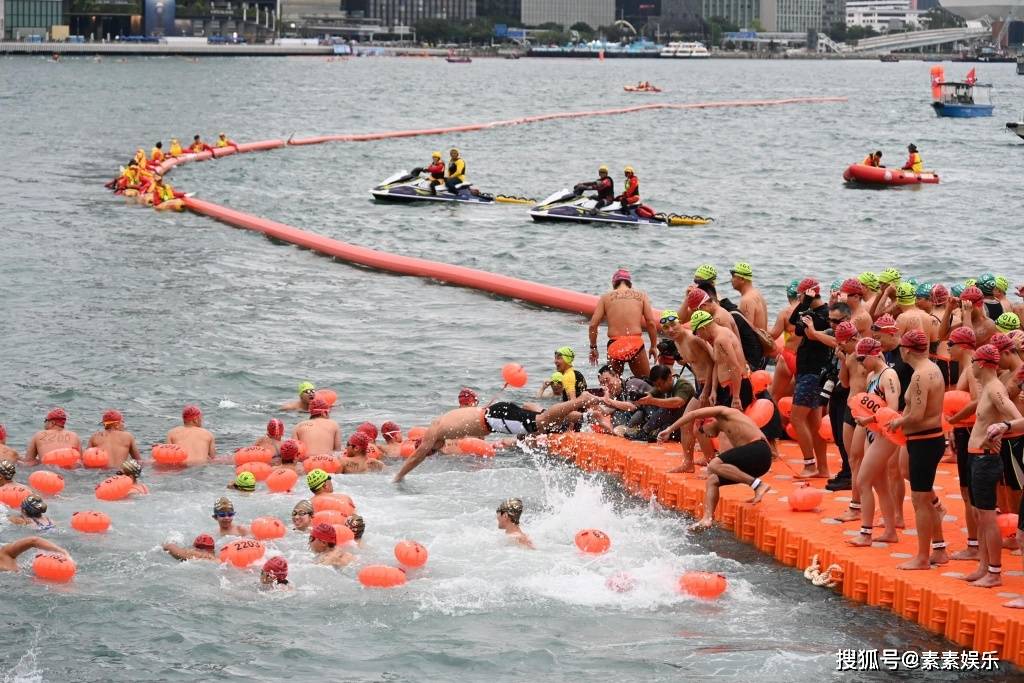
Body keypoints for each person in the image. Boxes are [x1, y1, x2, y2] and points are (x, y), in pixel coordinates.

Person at [394, 393, 605, 482]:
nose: (434, 450)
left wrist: (398, 477)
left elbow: (415, 458)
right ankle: (589, 414)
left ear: (426, 444)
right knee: (545, 420)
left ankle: (581, 401)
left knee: (542, 422)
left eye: (431, 450)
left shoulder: (433, 432)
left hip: (495, 419)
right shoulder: (442, 423)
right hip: (495, 414)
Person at [960, 345, 1024, 590]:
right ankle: (984, 566)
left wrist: (1001, 431)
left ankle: (995, 572)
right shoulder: (987, 388)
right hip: (976, 456)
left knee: (988, 517)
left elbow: (1015, 417)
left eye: (974, 360)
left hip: (987, 460)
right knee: (979, 515)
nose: (971, 365)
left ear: (984, 363)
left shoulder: (996, 389)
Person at [888, 329, 949, 569]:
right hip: (925, 440)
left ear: (906, 349)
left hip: (925, 440)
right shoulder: (932, 369)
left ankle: (923, 557)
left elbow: (917, 415)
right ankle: (940, 549)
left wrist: (897, 422)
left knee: (919, 500)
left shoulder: (920, 376)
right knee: (922, 492)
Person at [657, 407, 773, 530]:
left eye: (702, 430)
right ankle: (707, 519)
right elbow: (731, 460)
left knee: (713, 464)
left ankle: (758, 485)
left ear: (708, 421)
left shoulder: (725, 412)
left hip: (760, 451)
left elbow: (693, 413)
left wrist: (669, 429)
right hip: (757, 463)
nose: (706, 436)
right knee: (712, 480)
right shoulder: (728, 428)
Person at [848, 337, 902, 547]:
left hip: (885, 434)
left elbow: (891, 410)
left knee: (863, 481)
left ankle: (866, 533)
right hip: (874, 432)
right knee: (880, 485)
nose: (860, 363)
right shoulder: (872, 375)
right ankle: (890, 531)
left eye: (862, 358)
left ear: (874, 354)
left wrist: (868, 420)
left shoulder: (888, 376)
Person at [788, 278, 833, 479]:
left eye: (800, 295)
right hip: (808, 371)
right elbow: (793, 323)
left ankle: (809, 464)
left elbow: (802, 330)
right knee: (814, 425)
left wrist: (805, 303)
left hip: (813, 373)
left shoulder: (824, 314)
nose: (799, 299)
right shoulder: (809, 310)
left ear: (807, 294)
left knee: (796, 418)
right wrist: (805, 303)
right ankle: (822, 469)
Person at [588, 268, 658, 379]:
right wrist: (653, 346)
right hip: (635, 344)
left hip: (615, 345)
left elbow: (593, 325)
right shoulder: (641, 296)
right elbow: (651, 323)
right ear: (630, 283)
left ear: (614, 283)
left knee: (612, 387)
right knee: (647, 383)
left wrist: (593, 347)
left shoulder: (605, 298)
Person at [690, 310, 751, 412]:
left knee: (724, 426)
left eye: (697, 332)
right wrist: (714, 390)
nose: (698, 336)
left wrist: (736, 397)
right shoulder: (719, 336)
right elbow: (717, 364)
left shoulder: (721, 340)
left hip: (737, 388)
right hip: (728, 388)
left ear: (703, 328)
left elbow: (735, 367)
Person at [619, 364, 694, 443]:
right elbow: (650, 394)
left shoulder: (684, 385)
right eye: (656, 385)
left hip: (686, 425)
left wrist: (652, 401)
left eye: (660, 385)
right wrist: (641, 397)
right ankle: (639, 429)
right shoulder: (661, 386)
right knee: (646, 406)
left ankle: (645, 431)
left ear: (669, 378)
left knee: (666, 408)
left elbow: (678, 402)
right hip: (672, 423)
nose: (659, 388)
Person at [729, 262, 768, 333]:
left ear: (742, 279)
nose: (731, 280)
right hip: (762, 342)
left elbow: (746, 331)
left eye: (733, 276)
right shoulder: (757, 293)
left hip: (755, 343)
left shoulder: (747, 300)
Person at [0, 536, 70, 573]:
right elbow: (33, 540)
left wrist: (61, 551)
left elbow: (33, 541)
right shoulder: (5, 553)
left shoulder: (5, 553)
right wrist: (62, 551)